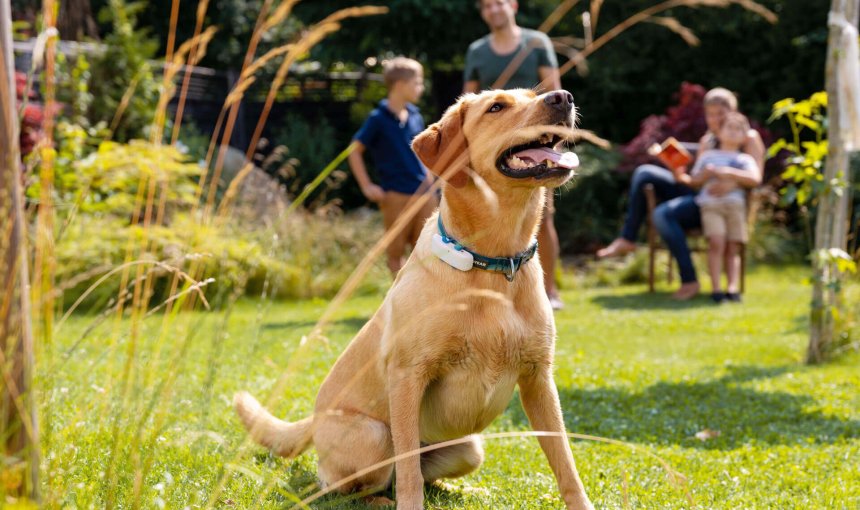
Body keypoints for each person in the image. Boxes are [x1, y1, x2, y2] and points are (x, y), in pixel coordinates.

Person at [597, 87, 765, 300]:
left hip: (729, 204)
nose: (714, 120)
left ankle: (690, 281)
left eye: (720, 114)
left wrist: (731, 183)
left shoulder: (748, 137)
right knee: (644, 173)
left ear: (733, 111)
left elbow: (756, 176)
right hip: (703, 196)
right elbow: (697, 180)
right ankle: (627, 238)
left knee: (662, 214)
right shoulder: (708, 140)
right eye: (710, 115)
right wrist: (679, 171)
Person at [463, 0, 566, 310]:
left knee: (542, 220)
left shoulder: (536, 42)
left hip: (538, 141)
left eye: (498, 3)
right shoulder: (477, 51)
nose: (493, 10)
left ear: (513, 6)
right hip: (498, 151)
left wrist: (554, 147)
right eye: (486, 7)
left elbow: (554, 92)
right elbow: (468, 100)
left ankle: (547, 291)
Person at [348, 57, 437, 276]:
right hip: (395, 194)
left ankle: (423, 300)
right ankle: (400, 303)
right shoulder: (378, 118)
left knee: (425, 250)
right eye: (417, 83)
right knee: (396, 253)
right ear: (399, 85)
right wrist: (367, 186)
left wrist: (431, 180)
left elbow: (420, 152)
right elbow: (354, 151)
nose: (421, 88)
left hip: (424, 194)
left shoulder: (415, 115)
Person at [682, 112, 760, 302]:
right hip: (711, 206)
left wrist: (729, 174)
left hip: (735, 207)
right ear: (719, 133)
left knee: (733, 247)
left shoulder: (745, 160)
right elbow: (694, 180)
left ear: (744, 136)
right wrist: (706, 175)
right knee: (716, 243)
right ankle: (716, 289)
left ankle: (732, 288)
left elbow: (755, 179)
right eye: (729, 128)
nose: (733, 133)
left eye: (738, 129)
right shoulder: (709, 156)